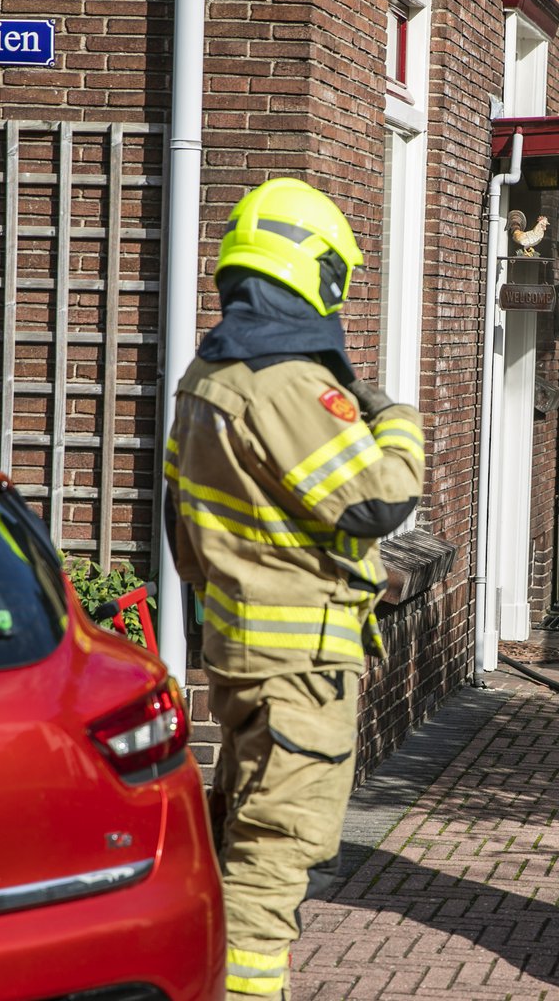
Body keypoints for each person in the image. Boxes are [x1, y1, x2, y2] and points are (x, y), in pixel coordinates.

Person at [164, 177, 425, 1000]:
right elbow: (380, 497)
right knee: (271, 863)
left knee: (236, 833)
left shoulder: (204, 378)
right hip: (301, 668)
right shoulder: (285, 383)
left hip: (240, 658)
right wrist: (393, 414)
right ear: (312, 270)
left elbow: (184, 534)